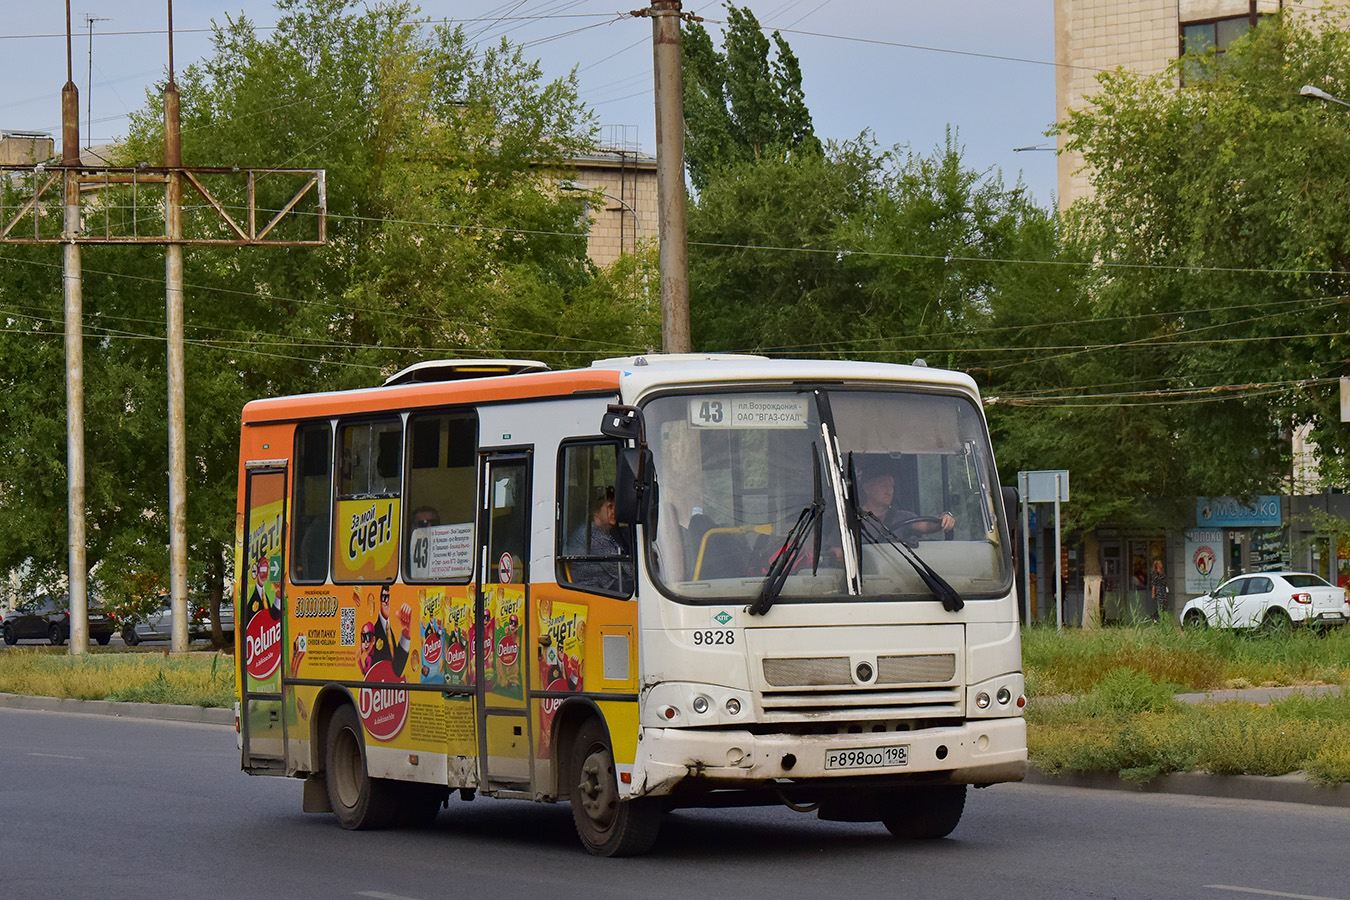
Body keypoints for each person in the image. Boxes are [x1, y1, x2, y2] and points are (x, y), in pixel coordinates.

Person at [857, 470, 954, 539]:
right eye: (884, 486)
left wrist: (943, 519)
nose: (889, 491)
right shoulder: (852, 519)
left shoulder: (902, 517)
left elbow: (925, 525)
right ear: (867, 488)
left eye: (892, 486)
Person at [567, 486, 628, 591]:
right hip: (594, 589)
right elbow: (619, 569)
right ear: (595, 511)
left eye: (614, 507)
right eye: (609, 507)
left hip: (606, 585)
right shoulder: (591, 535)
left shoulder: (603, 531)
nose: (614, 511)